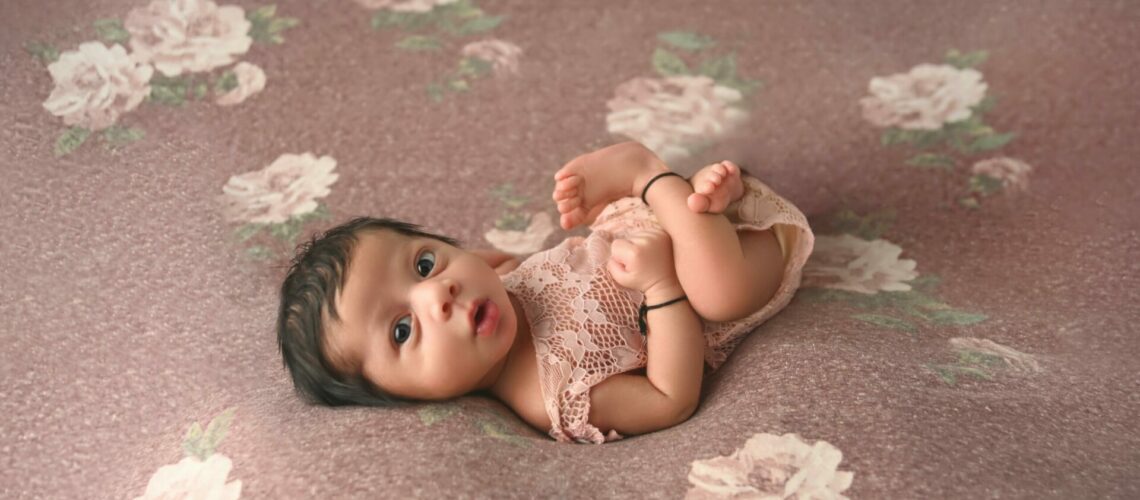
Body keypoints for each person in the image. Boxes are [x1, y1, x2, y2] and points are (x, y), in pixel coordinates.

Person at [277, 141, 814, 444]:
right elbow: (670, 399)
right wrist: (662, 286)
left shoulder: (499, 282)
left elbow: (495, 262)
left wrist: (495, 267)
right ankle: (654, 177)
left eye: (424, 264)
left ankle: (690, 196)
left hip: (645, 226)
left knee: (685, 230)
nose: (439, 294)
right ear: (401, 400)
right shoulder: (552, 397)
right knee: (718, 292)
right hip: (716, 277)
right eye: (402, 329)